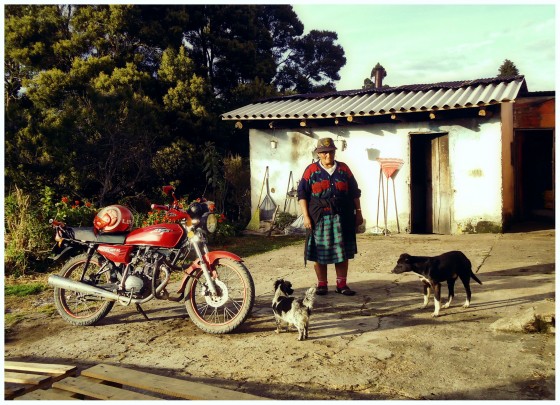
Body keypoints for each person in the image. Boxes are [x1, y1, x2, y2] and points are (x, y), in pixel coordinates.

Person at [297, 137, 363, 296]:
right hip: (319, 217)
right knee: (320, 252)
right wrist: (306, 216)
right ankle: (322, 285)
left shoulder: (344, 169)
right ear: (318, 154)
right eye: (324, 152)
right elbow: (302, 194)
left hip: (343, 217)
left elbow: (354, 192)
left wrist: (359, 212)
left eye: (330, 152)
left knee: (342, 252)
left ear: (334, 152)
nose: (328, 155)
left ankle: (342, 285)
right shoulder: (311, 170)